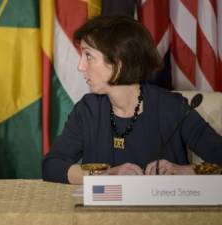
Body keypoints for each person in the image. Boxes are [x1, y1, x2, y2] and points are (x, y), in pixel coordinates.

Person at [42, 16, 222, 184]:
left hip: (164, 216)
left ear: (119, 63)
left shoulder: (171, 107)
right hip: (103, 216)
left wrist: (184, 171)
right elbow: (51, 166)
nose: (80, 66)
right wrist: (103, 175)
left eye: (88, 56)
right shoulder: (88, 109)